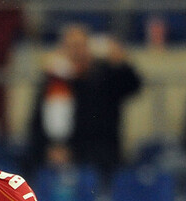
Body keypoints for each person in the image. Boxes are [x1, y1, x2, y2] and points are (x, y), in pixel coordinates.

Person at [25, 23, 142, 178]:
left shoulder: (104, 75)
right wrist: (50, 148)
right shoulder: (55, 81)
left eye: (79, 46)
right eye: (70, 46)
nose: (76, 52)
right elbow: (38, 121)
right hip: (61, 157)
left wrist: (120, 62)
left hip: (101, 158)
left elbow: (133, 86)